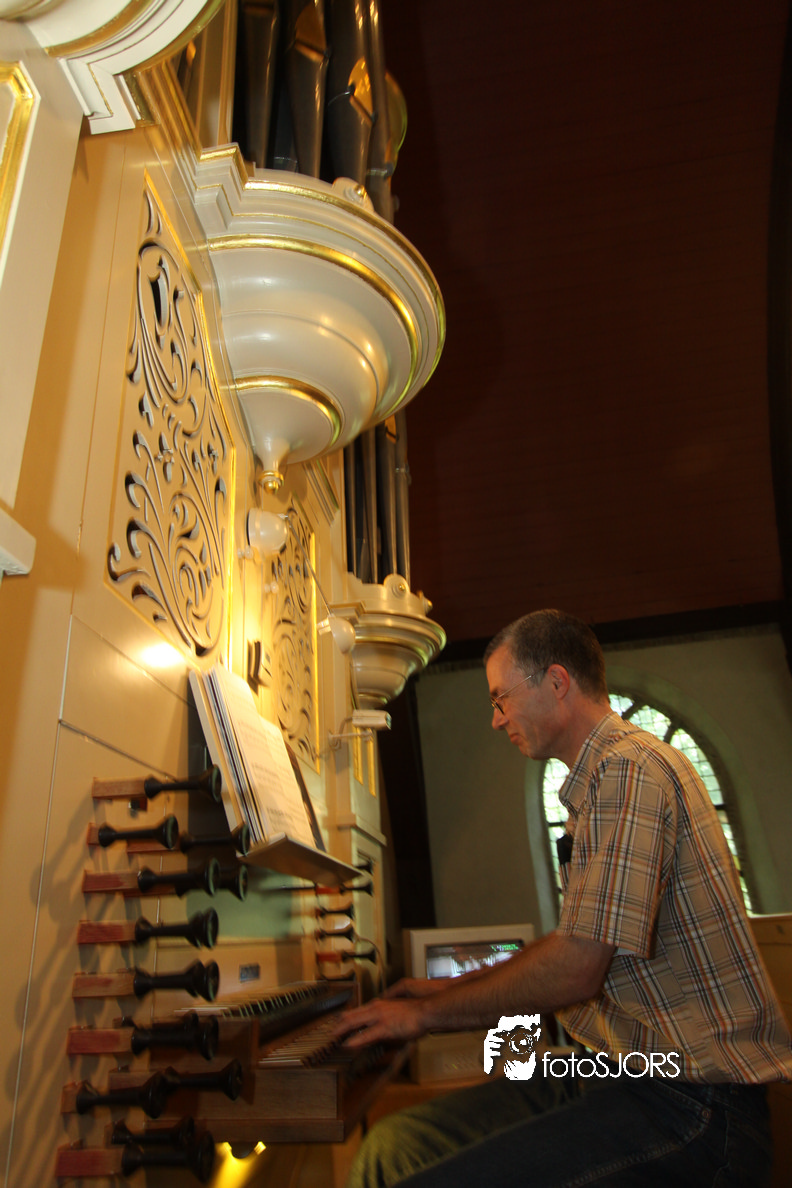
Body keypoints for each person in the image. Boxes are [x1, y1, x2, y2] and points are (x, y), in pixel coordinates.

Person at [335, 609, 792, 1187]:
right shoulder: (599, 781)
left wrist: (423, 1016)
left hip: (695, 1102)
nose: (496, 720)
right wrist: (447, 991)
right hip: (614, 1073)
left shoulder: (629, 769)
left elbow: (576, 969)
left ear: (556, 682)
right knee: (393, 1146)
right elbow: (574, 942)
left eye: (500, 699)